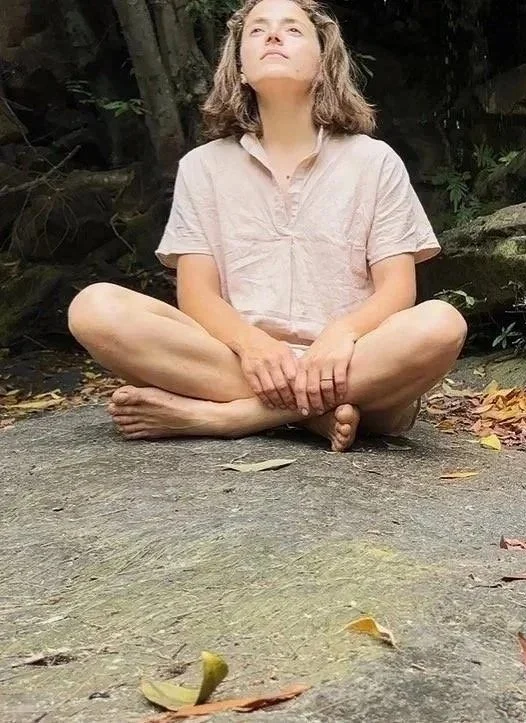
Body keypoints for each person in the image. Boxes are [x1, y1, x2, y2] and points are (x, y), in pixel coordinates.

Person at [67, 0, 467, 452]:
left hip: (353, 361)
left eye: (292, 30)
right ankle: (311, 416)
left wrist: (341, 334)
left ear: (323, 64)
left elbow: (396, 290)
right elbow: (197, 295)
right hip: (237, 360)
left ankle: (231, 416)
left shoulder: (374, 162)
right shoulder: (202, 167)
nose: (273, 37)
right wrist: (252, 344)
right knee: (94, 307)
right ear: (239, 68)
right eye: (257, 31)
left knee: (442, 324)